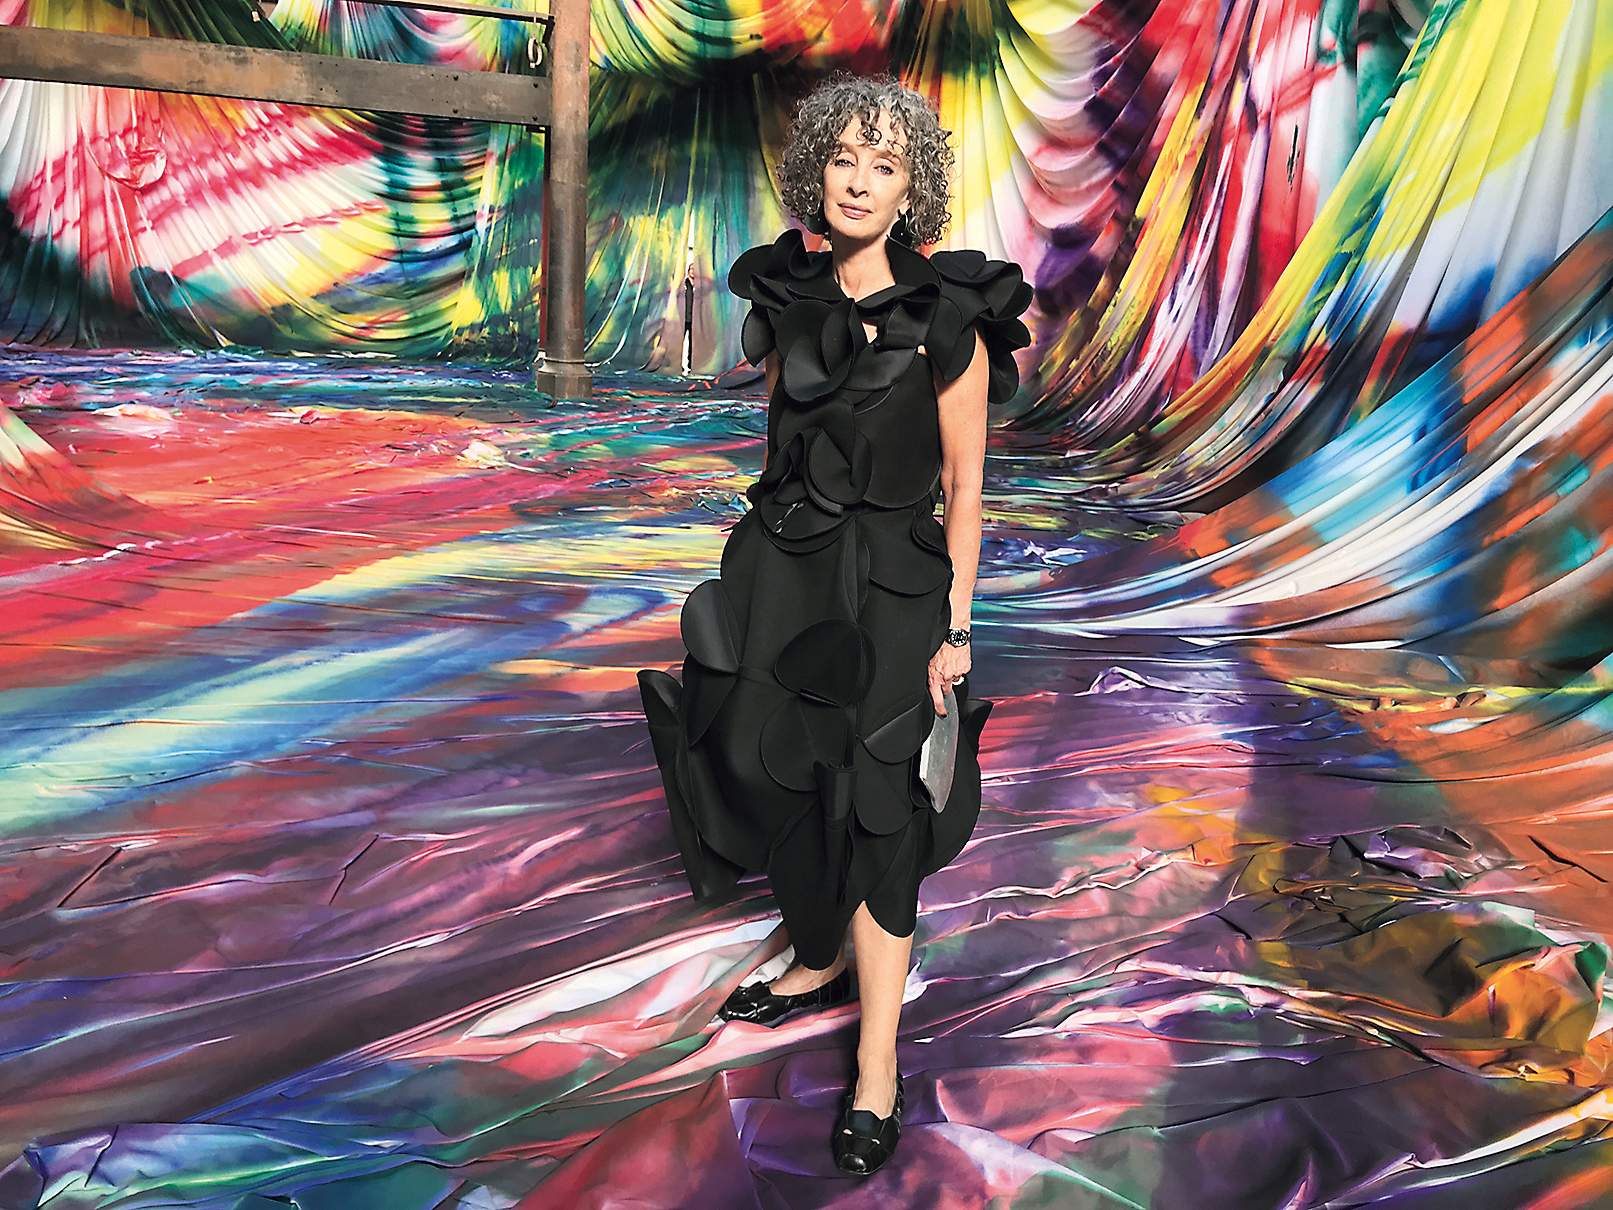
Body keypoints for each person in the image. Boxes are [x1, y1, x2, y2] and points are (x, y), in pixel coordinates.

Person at [637, 72, 1032, 1176]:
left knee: (879, 802)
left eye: (884, 163)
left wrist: (954, 627)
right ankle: (816, 956)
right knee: (776, 762)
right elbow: (776, 448)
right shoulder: (792, 296)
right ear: (817, 168)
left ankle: (875, 1068)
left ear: (913, 186)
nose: (859, 181)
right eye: (844, 159)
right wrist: (755, 572)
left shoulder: (948, 317)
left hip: (896, 590)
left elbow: (964, 488)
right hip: (788, 573)